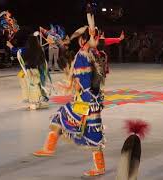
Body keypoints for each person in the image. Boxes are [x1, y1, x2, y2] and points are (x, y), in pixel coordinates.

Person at [33, 8, 106, 177]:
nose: (94, 39)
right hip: (91, 99)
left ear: (82, 41)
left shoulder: (85, 53)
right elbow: (80, 79)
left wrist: (90, 23)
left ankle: (49, 149)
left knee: (63, 118)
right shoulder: (89, 55)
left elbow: (81, 80)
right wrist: (68, 87)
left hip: (87, 101)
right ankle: (99, 167)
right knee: (92, 131)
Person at [6, 34, 50, 110]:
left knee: (31, 86)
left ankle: (34, 102)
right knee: (35, 85)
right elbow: (43, 61)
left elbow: (16, 51)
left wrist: (10, 46)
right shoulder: (40, 50)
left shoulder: (25, 50)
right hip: (36, 71)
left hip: (29, 72)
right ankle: (35, 100)